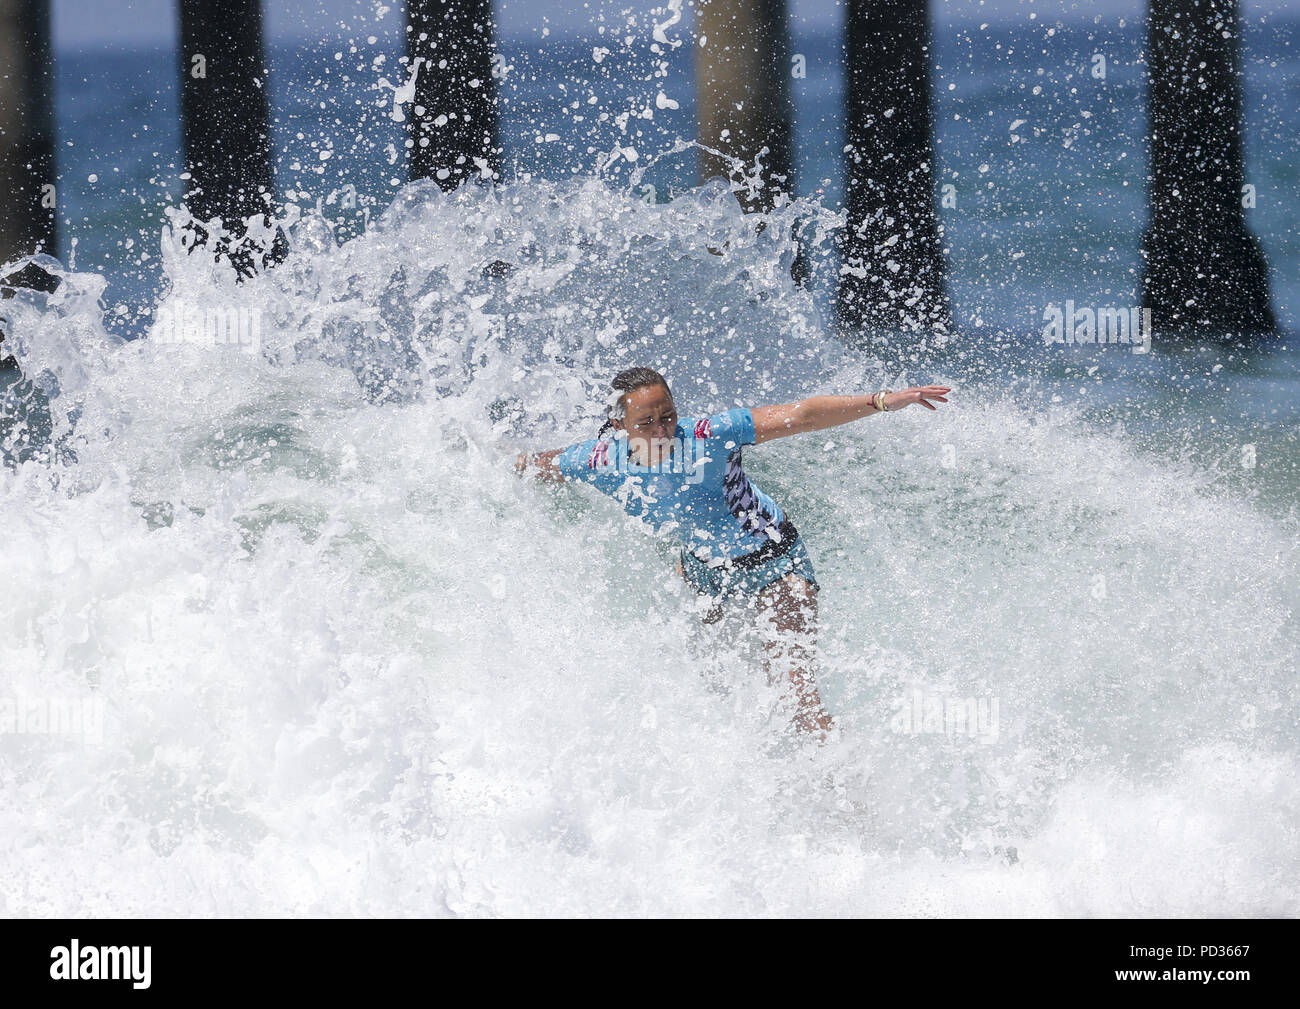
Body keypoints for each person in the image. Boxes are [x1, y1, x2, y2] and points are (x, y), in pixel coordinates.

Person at [514, 367, 951, 740]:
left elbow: (800, 415)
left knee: (796, 693)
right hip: (705, 572)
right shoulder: (598, 460)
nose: (663, 429)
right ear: (618, 424)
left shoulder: (710, 435)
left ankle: (846, 799)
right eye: (647, 422)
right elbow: (539, 465)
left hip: (776, 564)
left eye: (668, 415)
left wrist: (882, 400)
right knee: (716, 683)